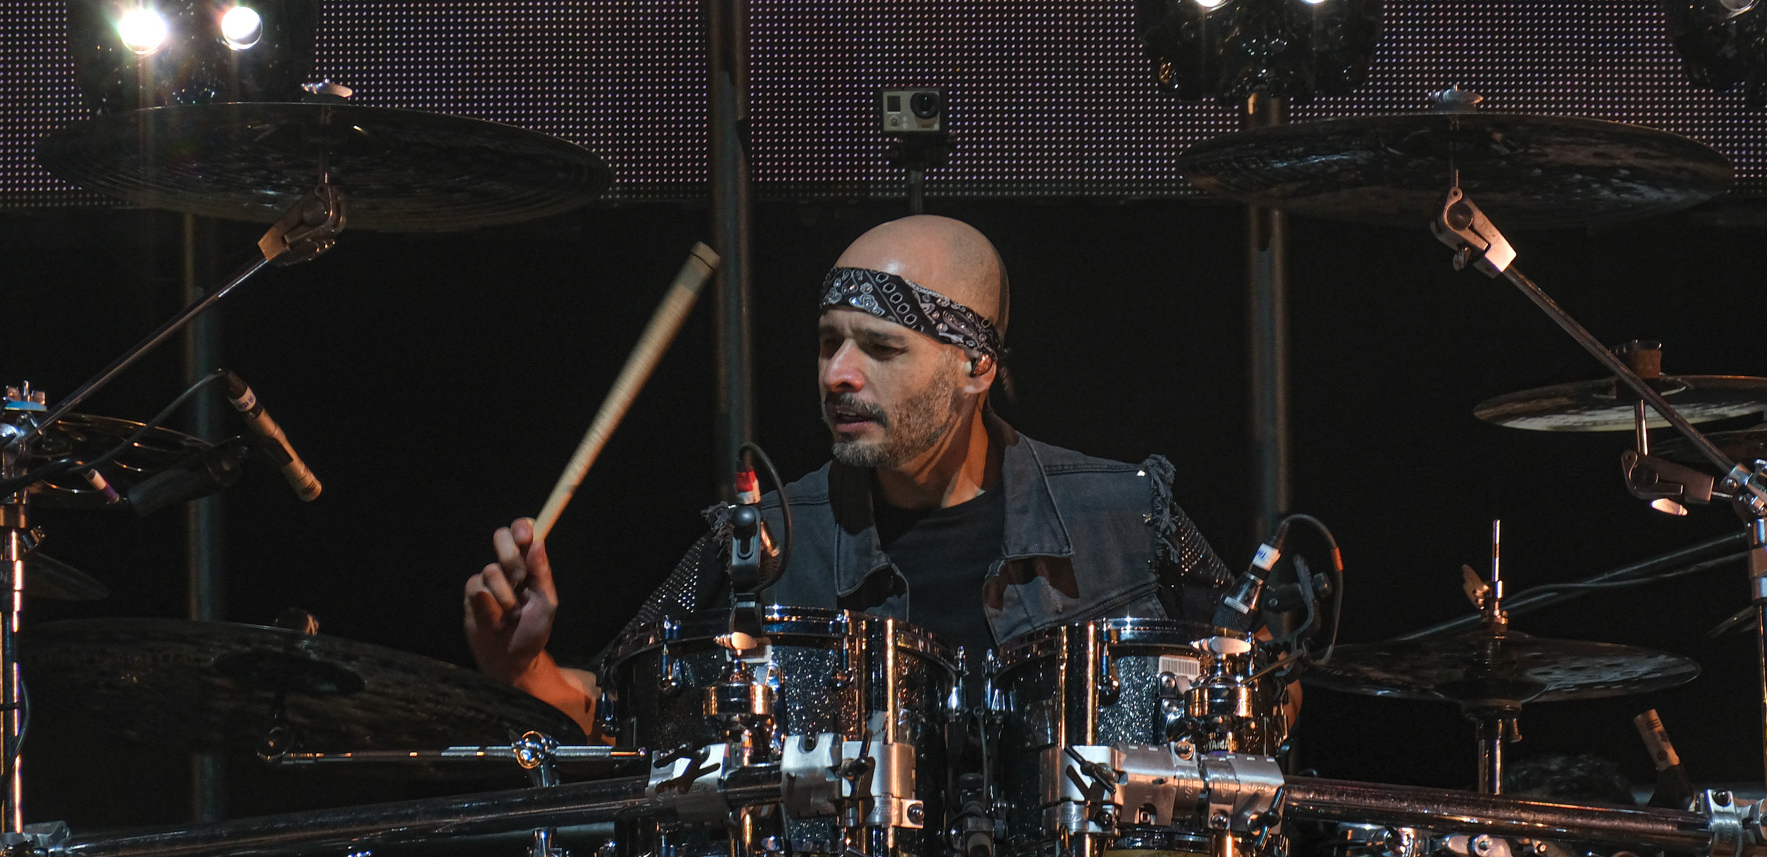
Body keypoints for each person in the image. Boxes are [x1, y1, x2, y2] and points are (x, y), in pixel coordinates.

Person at [463, 214, 1230, 733]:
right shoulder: (764, 542)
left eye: (880, 348)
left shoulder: (1126, 515)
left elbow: (1262, 686)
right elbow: (622, 712)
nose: (837, 375)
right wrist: (527, 669)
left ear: (975, 367)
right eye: (829, 342)